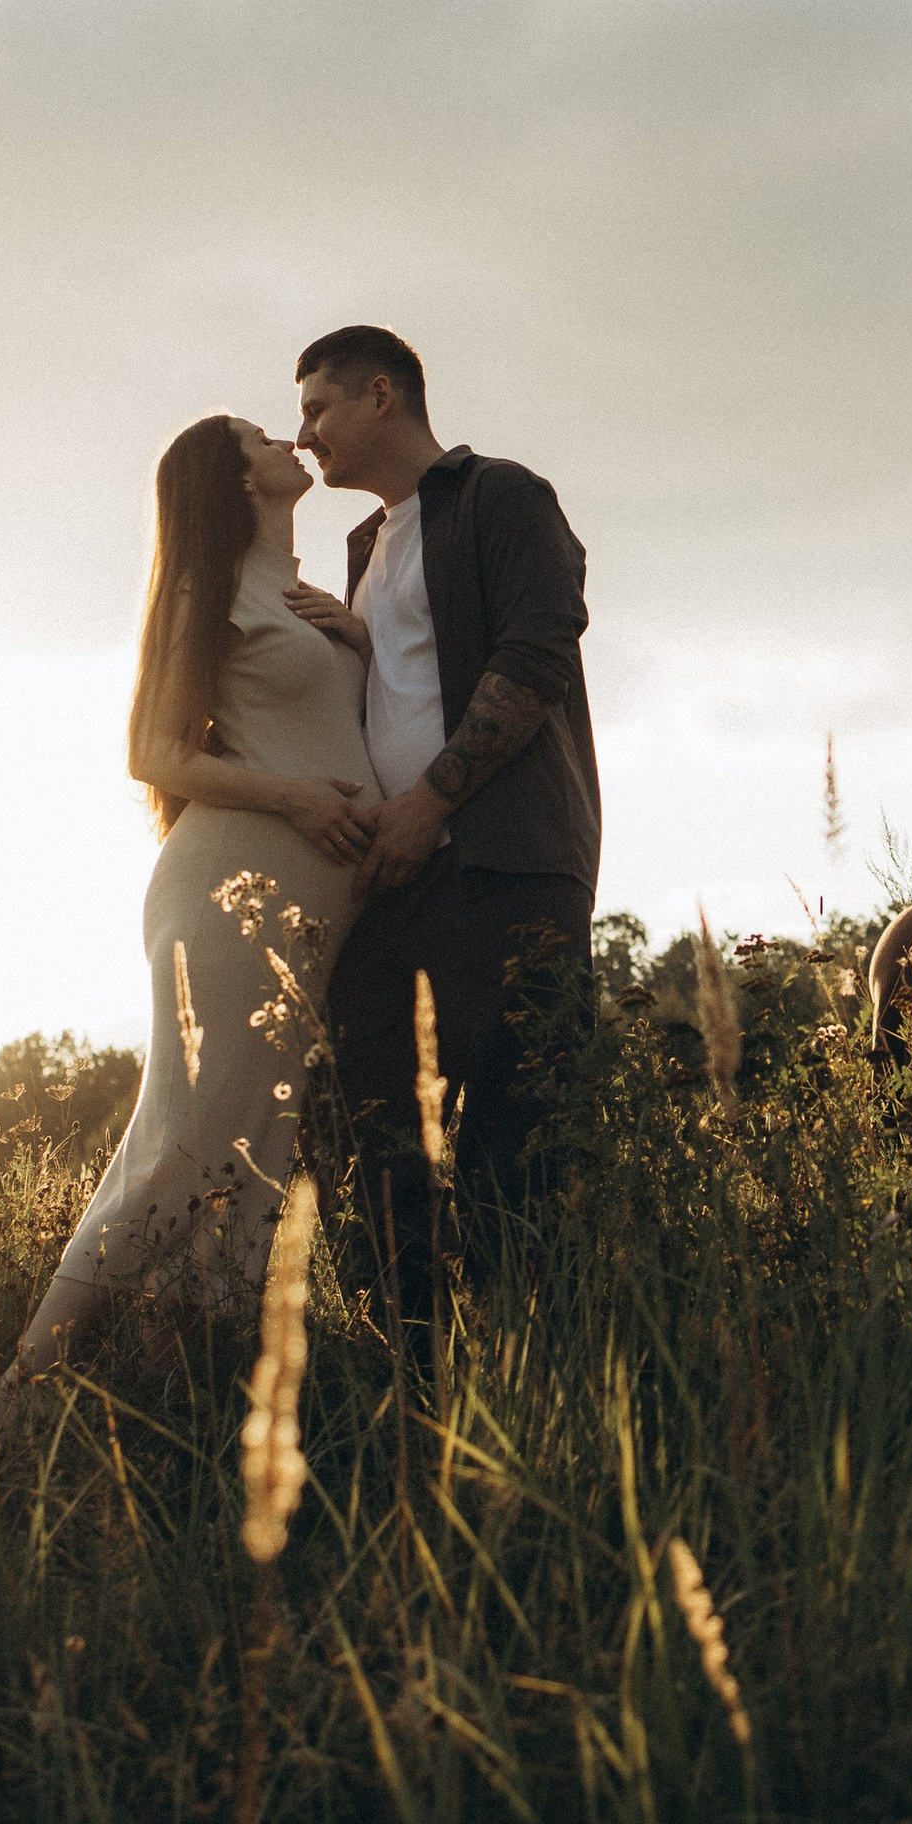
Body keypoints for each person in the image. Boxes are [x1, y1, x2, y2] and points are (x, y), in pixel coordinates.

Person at [0, 414, 376, 1382]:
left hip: (314, 902)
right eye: (260, 437)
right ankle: (23, 1384)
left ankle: (176, 1384)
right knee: (187, 1138)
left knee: (253, 1146)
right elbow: (154, 752)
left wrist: (362, 641)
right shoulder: (206, 589)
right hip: (231, 885)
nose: (287, 441)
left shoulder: (307, 599)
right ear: (232, 478)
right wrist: (294, 798)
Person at [287, 326, 599, 1288]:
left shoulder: (503, 496)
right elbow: (412, 683)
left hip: (503, 865)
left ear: (381, 395)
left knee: (520, 1146)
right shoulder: (366, 545)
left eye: (317, 408)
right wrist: (357, 647)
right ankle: (404, 1359)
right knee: (373, 1134)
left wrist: (430, 803)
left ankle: (526, 1354)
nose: (304, 435)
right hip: (394, 876)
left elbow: (536, 655)